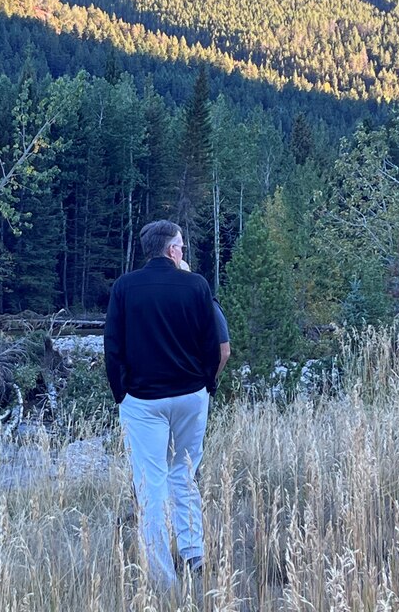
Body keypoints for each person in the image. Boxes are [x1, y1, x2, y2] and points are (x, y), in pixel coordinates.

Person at [104, 220, 220, 588]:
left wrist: (120, 394)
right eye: (181, 246)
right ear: (172, 250)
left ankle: (163, 579)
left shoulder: (124, 288)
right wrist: (206, 384)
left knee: (150, 484)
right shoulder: (196, 285)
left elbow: (112, 347)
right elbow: (212, 344)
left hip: (144, 400)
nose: (183, 252)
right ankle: (194, 554)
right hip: (190, 395)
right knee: (184, 474)